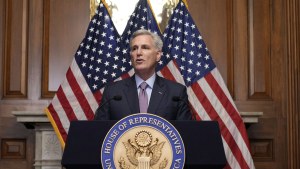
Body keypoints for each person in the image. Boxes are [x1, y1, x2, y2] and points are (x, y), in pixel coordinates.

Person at [94, 29, 193, 120]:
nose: (138, 52)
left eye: (145, 48)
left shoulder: (176, 93)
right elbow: (99, 131)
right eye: (134, 48)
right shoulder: (112, 93)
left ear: (158, 55)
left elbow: (186, 133)